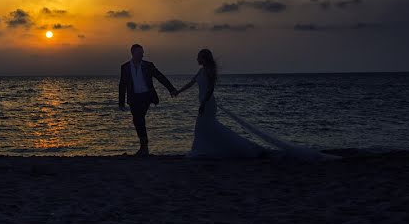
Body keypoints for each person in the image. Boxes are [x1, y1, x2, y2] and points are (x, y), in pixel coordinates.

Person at [176, 48, 338, 160]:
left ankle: (205, 150)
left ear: (204, 58)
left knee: (203, 126)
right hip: (204, 103)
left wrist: (204, 103)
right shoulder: (201, 71)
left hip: (208, 103)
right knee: (208, 128)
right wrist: (177, 91)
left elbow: (210, 89)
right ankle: (205, 149)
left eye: (198, 56)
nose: (196, 59)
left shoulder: (209, 71)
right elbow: (191, 83)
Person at [118, 44, 176, 156]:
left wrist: (171, 89)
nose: (142, 54)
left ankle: (144, 147)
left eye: (142, 52)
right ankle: (143, 146)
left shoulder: (148, 65)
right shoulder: (125, 67)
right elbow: (122, 85)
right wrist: (121, 102)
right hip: (133, 98)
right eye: (140, 53)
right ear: (133, 53)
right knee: (137, 120)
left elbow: (160, 77)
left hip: (146, 96)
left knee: (139, 118)